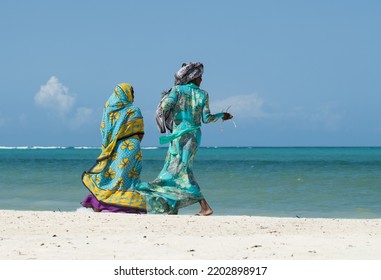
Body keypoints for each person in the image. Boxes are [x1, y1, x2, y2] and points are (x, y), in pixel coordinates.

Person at [137, 62, 233, 215]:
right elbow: (206, 119)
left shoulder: (177, 90)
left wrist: (167, 111)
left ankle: (204, 206)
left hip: (179, 136)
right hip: (194, 137)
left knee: (179, 170)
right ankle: (173, 207)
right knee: (177, 169)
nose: (201, 80)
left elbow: (165, 107)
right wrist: (222, 115)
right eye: (199, 77)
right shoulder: (203, 94)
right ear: (192, 77)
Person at [81, 83, 147, 214]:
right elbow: (140, 133)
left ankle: (101, 204)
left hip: (114, 148)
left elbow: (104, 130)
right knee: (129, 179)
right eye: (132, 93)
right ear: (127, 94)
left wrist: (110, 145)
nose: (133, 96)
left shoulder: (109, 110)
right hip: (132, 147)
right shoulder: (134, 110)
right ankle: (127, 206)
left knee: (111, 177)